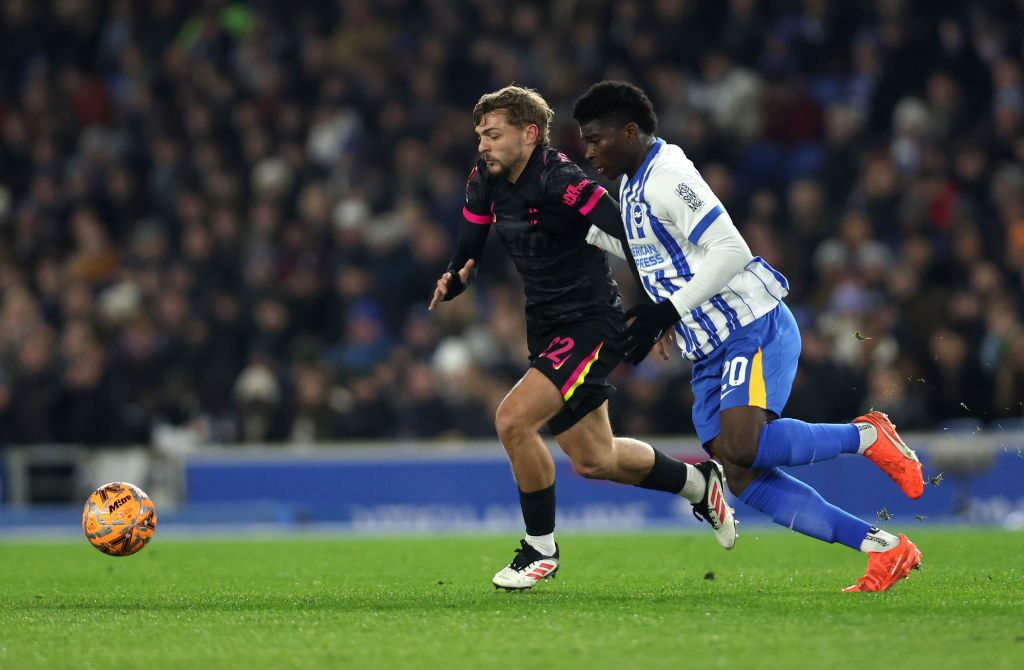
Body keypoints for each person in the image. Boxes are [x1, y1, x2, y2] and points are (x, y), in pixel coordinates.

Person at [573, 80, 925, 593]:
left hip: (749, 325)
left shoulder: (668, 175)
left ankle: (867, 435)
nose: (588, 150)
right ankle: (885, 548)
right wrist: (665, 313)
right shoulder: (631, 184)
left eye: (597, 138)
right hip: (708, 344)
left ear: (631, 131)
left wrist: (665, 310)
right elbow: (660, 256)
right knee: (737, 471)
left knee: (743, 444)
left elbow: (730, 249)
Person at [429, 85, 736, 591]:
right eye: (479, 135)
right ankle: (699, 482)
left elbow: (632, 237)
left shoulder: (564, 180)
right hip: (546, 325)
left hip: (591, 322)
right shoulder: (484, 180)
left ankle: (539, 549)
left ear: (530, 134)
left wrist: (661, 312)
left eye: (492, 134)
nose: (482, 145)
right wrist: (457, 276)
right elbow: (470, 247)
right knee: (596, 459)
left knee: (512, 419)